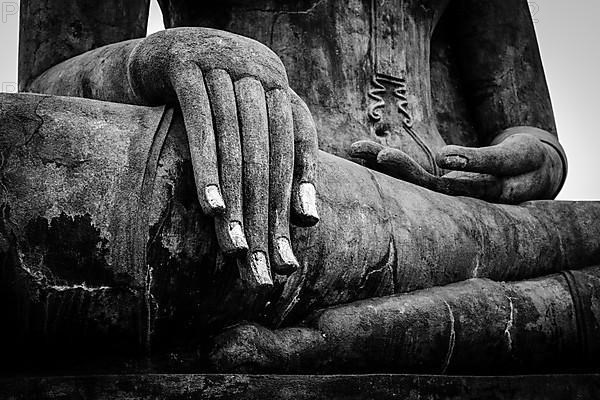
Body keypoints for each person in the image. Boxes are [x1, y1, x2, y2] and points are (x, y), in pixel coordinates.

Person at [6, 0, 593, 373]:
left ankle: (334, 341)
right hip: (271, 185)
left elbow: (532, 131)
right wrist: (146, 61)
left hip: (449, 207)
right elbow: (39, 115)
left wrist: (529, 160)